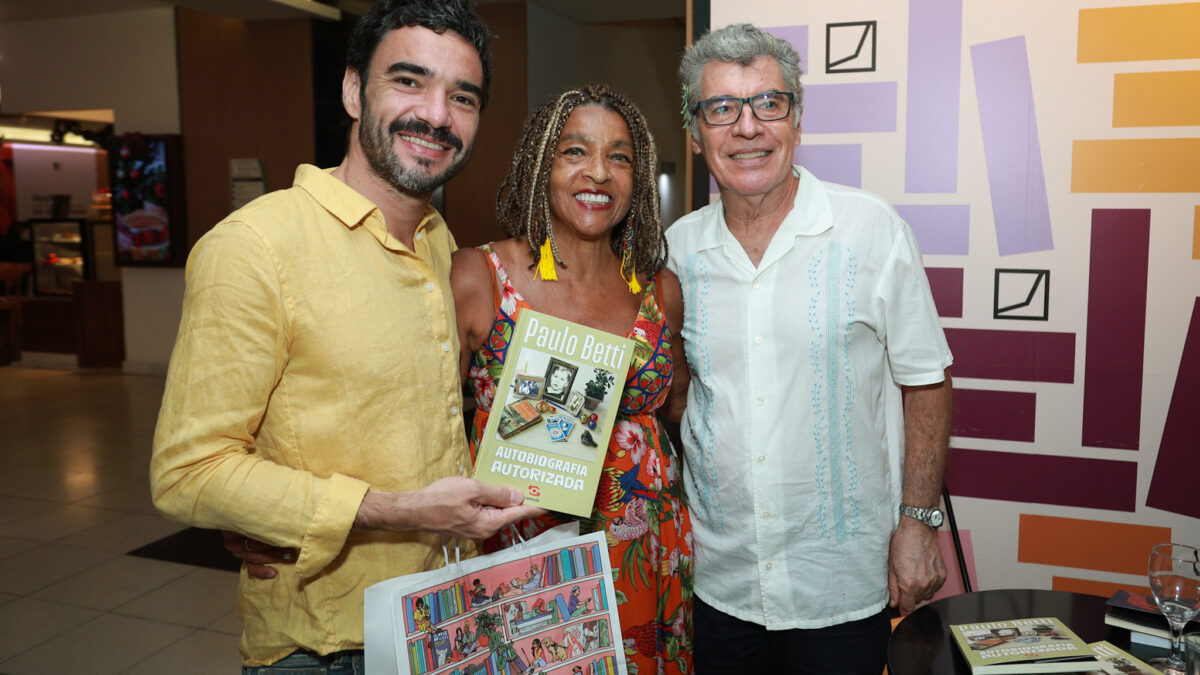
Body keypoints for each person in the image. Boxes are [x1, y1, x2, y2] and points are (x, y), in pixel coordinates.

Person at [149, 1, 540, 671]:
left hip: (439, 618)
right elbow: (188, 471)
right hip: (328, 645)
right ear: (354, 90)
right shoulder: (256, 247)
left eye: (462, 96)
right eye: (409, 81)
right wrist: (394, 509)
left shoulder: (439, 243)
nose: (437, 115)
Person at [665, 23, 954, 674]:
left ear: (796, 120)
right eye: (722, 108)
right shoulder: (676, 253)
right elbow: (679, 397)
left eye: (769, 103)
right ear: (695, 131)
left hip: (841, 586)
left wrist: (917, 523)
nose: (747, 127)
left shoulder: (869, 230)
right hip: (719, 582)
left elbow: (926, 380)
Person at [452, 84, 694, 675]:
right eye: (574, 152)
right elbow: (423, 422)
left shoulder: (658, 288)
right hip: (523, 551)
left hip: (647, 551)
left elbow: (680, 406)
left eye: (619, 157)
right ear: (541, 163)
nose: (598, 173)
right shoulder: (480, 275)